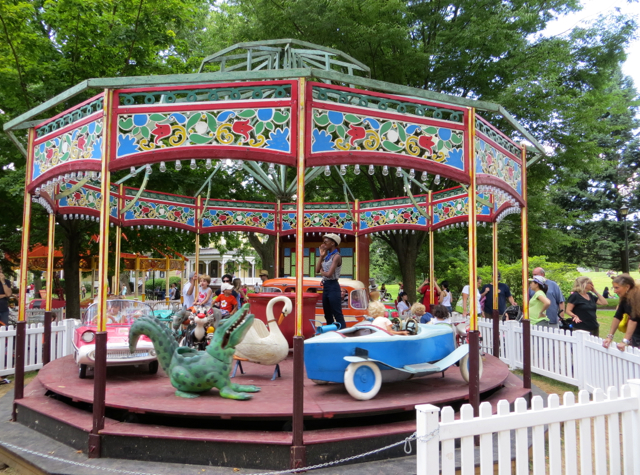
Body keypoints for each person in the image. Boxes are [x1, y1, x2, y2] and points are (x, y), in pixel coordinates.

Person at [315, 233, 347, 330]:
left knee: (337, 313)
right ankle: (331, 332)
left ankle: (343, 333)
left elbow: (329, 274)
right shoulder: (327, 257)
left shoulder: (336, 256)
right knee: (327, 314)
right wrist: (321, 256)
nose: (323, 244)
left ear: (333, 243)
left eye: (326, 242)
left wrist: (322, 272)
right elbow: (316, 270)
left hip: (333, 286)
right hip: (326, 286)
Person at [602, 274, 640, 350]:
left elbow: (634, 319)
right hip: (635, 334)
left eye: (617, 288)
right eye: (614, 288)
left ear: (627, 287)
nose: (615, 291)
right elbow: (617, 316)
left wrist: (624, 341)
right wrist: (610, 336)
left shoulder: (636, 298)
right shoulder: (624, 298)